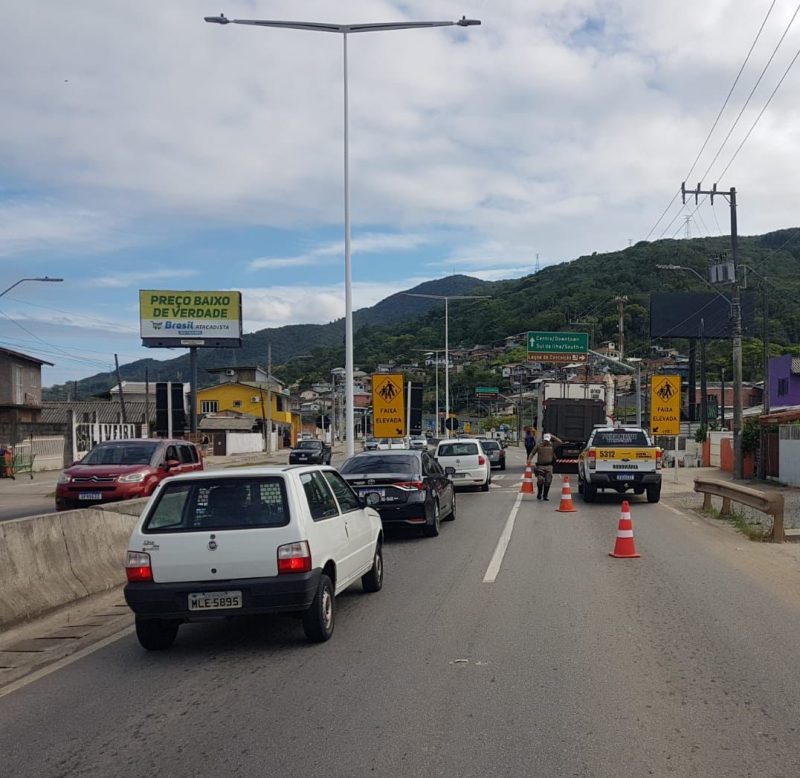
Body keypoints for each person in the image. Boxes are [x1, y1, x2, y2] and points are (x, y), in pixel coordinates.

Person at [528, 432, 563, 501]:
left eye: (547, 440)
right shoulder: (538, 445)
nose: (546, 441)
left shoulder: (552, 445)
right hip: (540, 466)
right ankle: (539, 493)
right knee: (540, 480)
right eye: (545, 440)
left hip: (549, 466)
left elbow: (560, 442)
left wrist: (552, 436)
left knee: (548, 481)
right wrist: (529, 459)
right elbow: (532, 453)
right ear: (543, 439)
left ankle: (545, 495)